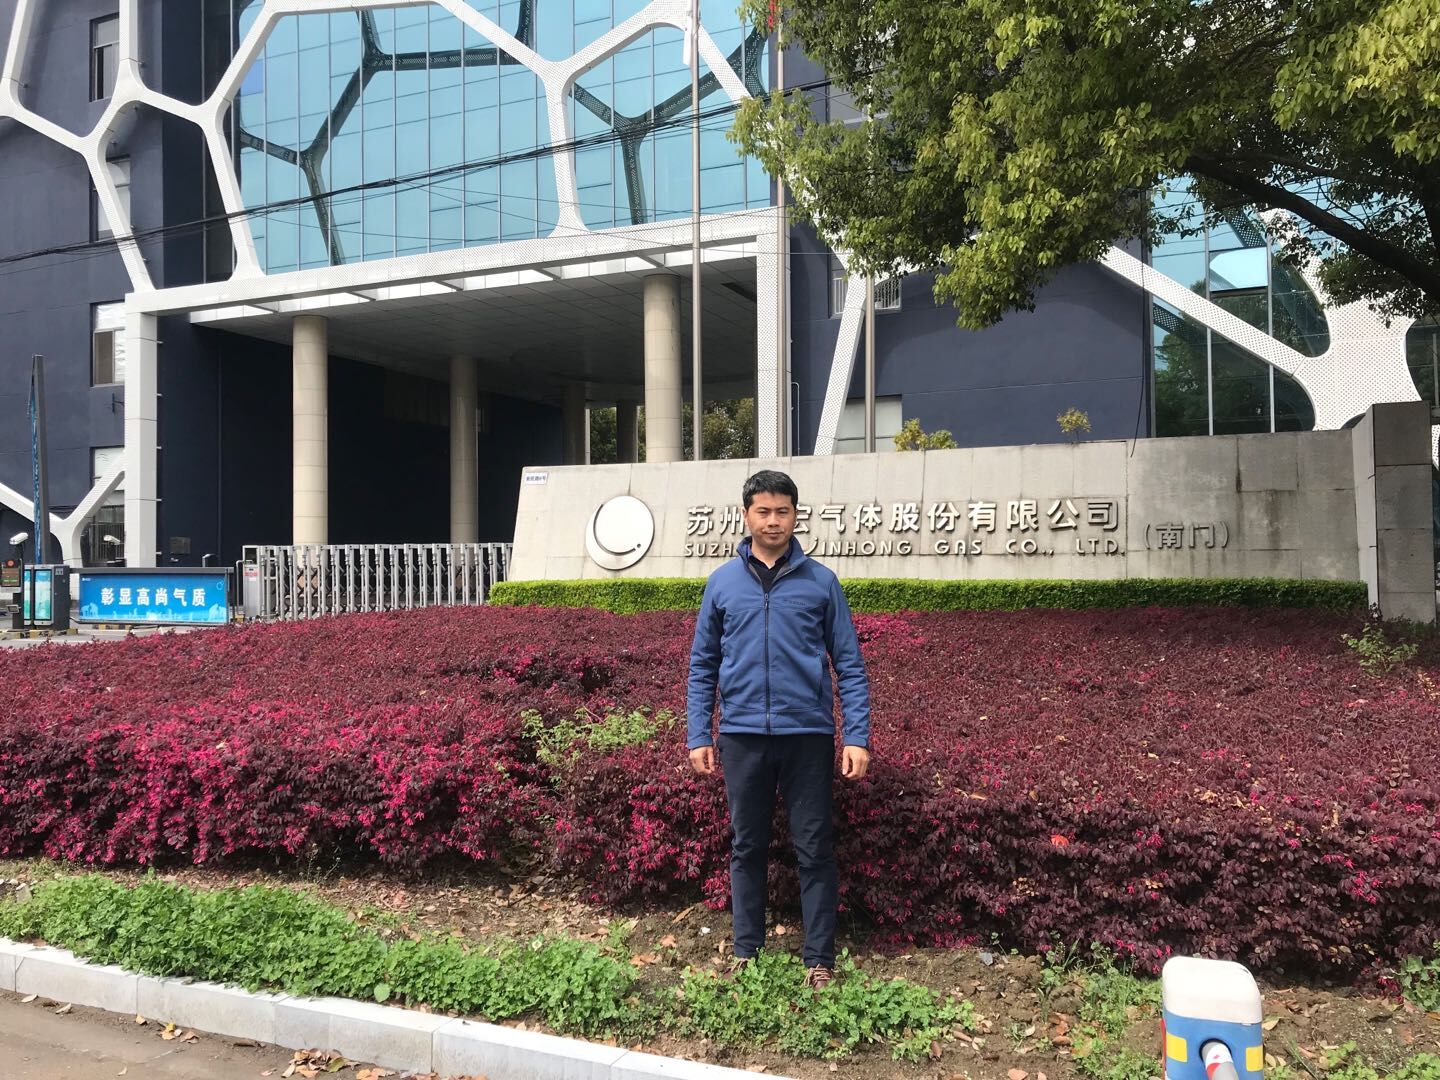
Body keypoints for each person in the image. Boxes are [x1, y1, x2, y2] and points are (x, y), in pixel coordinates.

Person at [686, 469, 872, 989]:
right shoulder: (722, 583)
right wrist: (698, 733)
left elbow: (849, 665)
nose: (773, 521)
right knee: (747, 846)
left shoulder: (821, 582)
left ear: (795, 515)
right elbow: (703, 664)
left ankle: (819, 960)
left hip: (806, 735)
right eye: (763, 511)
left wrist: (857, 735)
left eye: (782, 511)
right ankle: (746, 951)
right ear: (746, 515)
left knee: (814, 849)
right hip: (741, 736)